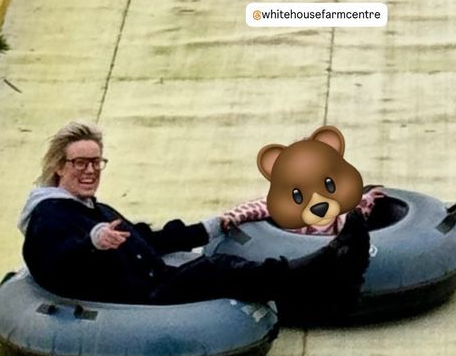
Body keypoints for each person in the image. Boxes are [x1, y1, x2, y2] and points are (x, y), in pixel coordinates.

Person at [18, 120, 370, 322]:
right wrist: (91, 244)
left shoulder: (98, 209)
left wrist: (214, 224)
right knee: (216, 268)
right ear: (58, 167)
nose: (91, 171)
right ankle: (327, 267)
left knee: (224, 269)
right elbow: (50, 258)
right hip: (142, 298)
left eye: (96, 162)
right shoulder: (50, 215)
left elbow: (150, 240)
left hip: (158, 279)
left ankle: (331, 288)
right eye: (81, 163)